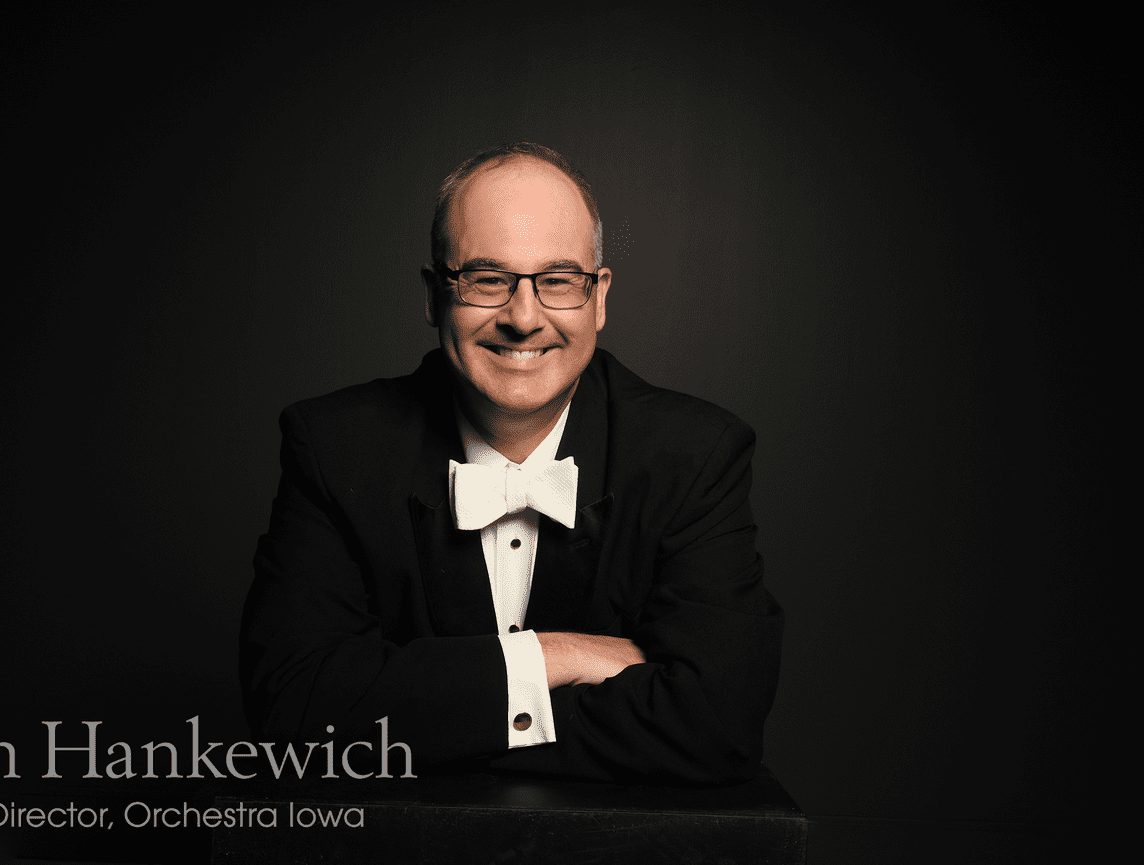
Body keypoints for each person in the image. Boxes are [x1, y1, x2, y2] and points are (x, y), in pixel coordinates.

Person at [240, 143, 783, 784]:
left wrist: (434, 721)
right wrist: (557, 657)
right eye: (488, 279)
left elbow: (719, 724)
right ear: (434, 295)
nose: (523, 318)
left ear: (599, 297)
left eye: (558, 281)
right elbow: (295, 717)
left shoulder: (696, 454)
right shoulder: (335, 447)